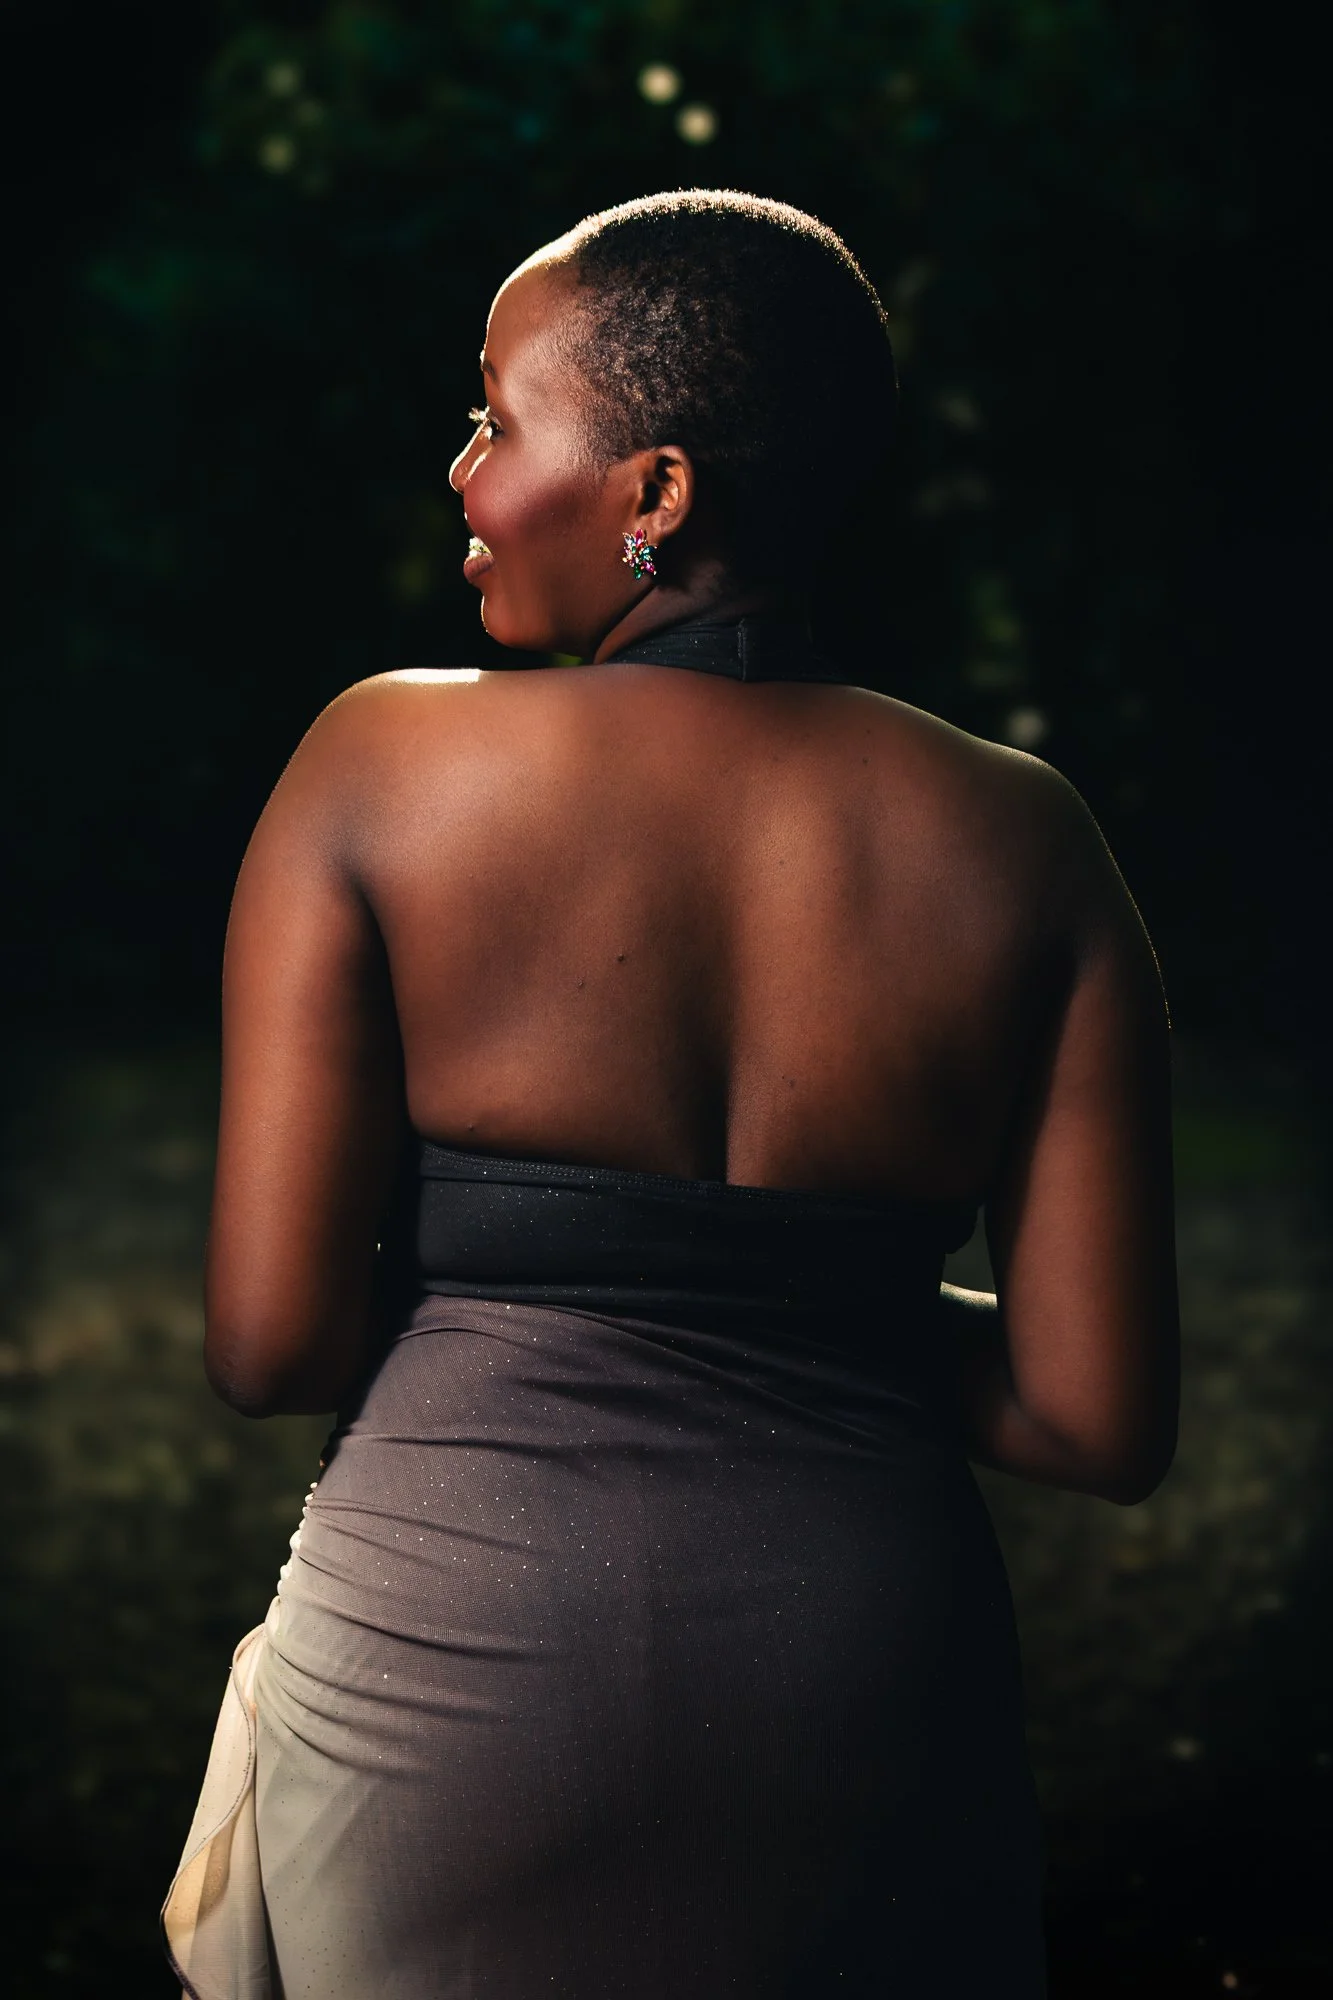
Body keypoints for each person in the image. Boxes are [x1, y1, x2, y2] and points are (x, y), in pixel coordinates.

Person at [168, 190, 1179, 1998]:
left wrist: (529, 1273)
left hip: (449, 1687)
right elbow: (1097, 1421)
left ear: (654, 492)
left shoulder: (381, 765)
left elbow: (272, 1345)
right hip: (871, 1702)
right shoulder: (1029, 842)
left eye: (495, 415)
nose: (465, 471)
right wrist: (813, 1301)